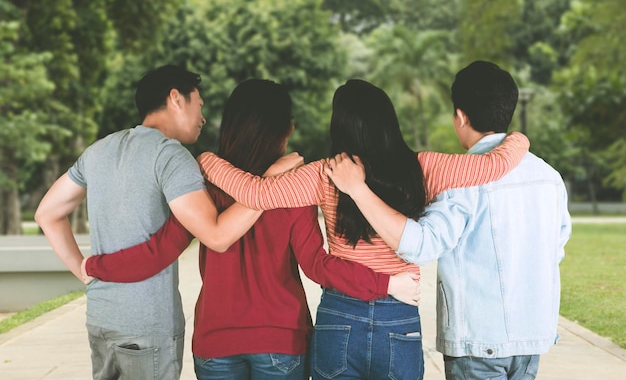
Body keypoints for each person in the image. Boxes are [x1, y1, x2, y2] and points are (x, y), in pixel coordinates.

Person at [81, 78, 422, 380]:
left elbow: (160, 250)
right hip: (282, 343)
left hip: (216, 342)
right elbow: (318, 266)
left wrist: (95, 266)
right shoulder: (292, 190)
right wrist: (386, 283)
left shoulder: (205, 185)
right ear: (282, 130)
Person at [195, 79, 531, 380]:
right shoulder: (425, 167)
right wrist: (519, 137)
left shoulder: (323, 174)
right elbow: (495, 165)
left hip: (339, 315)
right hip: (398, 316)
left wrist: (207, 160)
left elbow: (255, 194)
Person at [34, 65, 284, 380]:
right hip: (146, 326)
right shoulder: (171, 156)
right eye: (199, 105)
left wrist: (83, 270)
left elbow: (47, 213)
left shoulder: (98, 151)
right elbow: (217, 236)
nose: (202, 118)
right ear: (176, 99)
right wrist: (268, 183)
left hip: (100, 316)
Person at [325, 61, 572, 380]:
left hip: (477, 339)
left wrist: (359, 191)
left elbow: (421, 247)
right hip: (532, 337)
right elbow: (557, 249)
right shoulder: (549, 177)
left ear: (460, 117)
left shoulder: (461, 181)